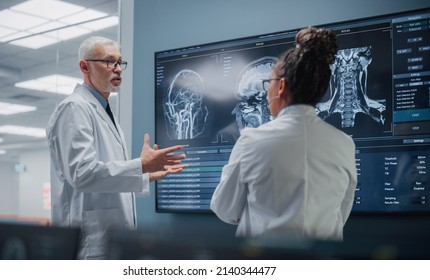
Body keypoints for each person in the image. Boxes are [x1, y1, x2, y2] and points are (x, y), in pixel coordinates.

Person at [46, 36, 187, 259]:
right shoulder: (74, 108)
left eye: (120, 62)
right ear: (85, 66)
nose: (118, 69)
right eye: (109, 62)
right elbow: (82, 174)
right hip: (88, 245)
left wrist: (144, 174)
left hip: (109, 243)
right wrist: (139, 165)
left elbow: (104, 175)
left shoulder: (103, 111)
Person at [210, 27, 357, 241]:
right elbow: (340, 214)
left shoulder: (251, 141)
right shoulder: (345, 143)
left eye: (267, 83)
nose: (267, 91)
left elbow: (224, 208)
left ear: (281, 86)